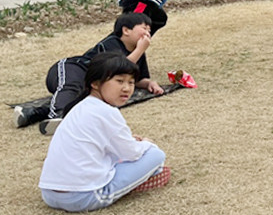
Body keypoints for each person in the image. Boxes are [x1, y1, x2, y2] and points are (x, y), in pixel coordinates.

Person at [38, 53, 170, 213]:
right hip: (82, 196)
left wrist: (131, 142)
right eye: (119, 81)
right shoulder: (106, 111)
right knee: (156, 155)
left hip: (49, 194)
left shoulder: (79, 107)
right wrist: (146, 144)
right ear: (95, 83)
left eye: (131, 82)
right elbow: (132, 153)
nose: (127, 88)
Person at [13, 13, 164, 135]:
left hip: (90, 83)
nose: (148, 33)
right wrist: (140, 50)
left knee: (81, 100)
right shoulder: (112, 42)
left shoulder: (138, 53)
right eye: (144, 28)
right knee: (71, 87)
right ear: (126, 30)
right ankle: (58, 116)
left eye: (149, 30)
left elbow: (135, 78)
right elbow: (118, 69)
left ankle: (29, 114)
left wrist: (149, 83)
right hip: (73, 68)